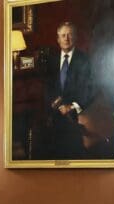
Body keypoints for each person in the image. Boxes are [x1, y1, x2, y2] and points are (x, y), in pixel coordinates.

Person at [41, 22, 95, 160]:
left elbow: (89, 89)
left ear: (75, 37)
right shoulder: (51, 60)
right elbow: (46, 87)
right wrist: (57, 105)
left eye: (70, 35)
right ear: (58, 39)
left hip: (76, 118)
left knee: (73, 155)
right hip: (54, 116)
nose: (66, 38)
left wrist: (72, 106)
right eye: (63, 35)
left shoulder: (84, 60)